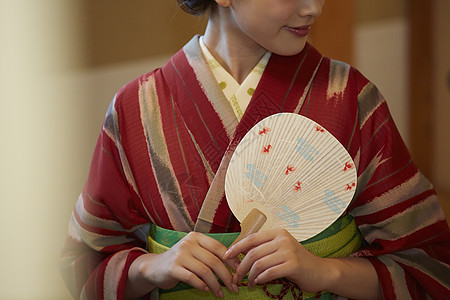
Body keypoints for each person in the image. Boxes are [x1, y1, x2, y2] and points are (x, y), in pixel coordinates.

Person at [60, 0, 450, 299]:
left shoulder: (348, 97)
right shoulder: (136, 107)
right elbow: (85, 261)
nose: (313, 7)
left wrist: (323, 271)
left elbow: (427, 261)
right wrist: (151, 268)